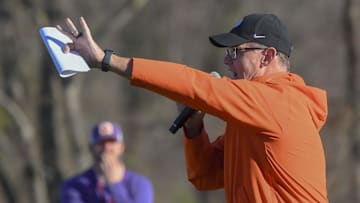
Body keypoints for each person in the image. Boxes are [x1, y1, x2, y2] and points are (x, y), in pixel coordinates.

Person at [57, 13, 328, 203]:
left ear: (267, 56)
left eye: (235, 52)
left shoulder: (280, 101)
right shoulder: (254, 117)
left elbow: (195, 85)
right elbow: (206, 176)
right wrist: (194, 128)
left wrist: (107, 60)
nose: (226, 61)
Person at [60, 121, 154, 203]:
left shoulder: (139, 184)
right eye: (101, 143)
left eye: (111, 142)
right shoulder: (74, 186)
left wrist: (114, 185)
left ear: (121, 147)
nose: (106, 147)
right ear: (91, 148)